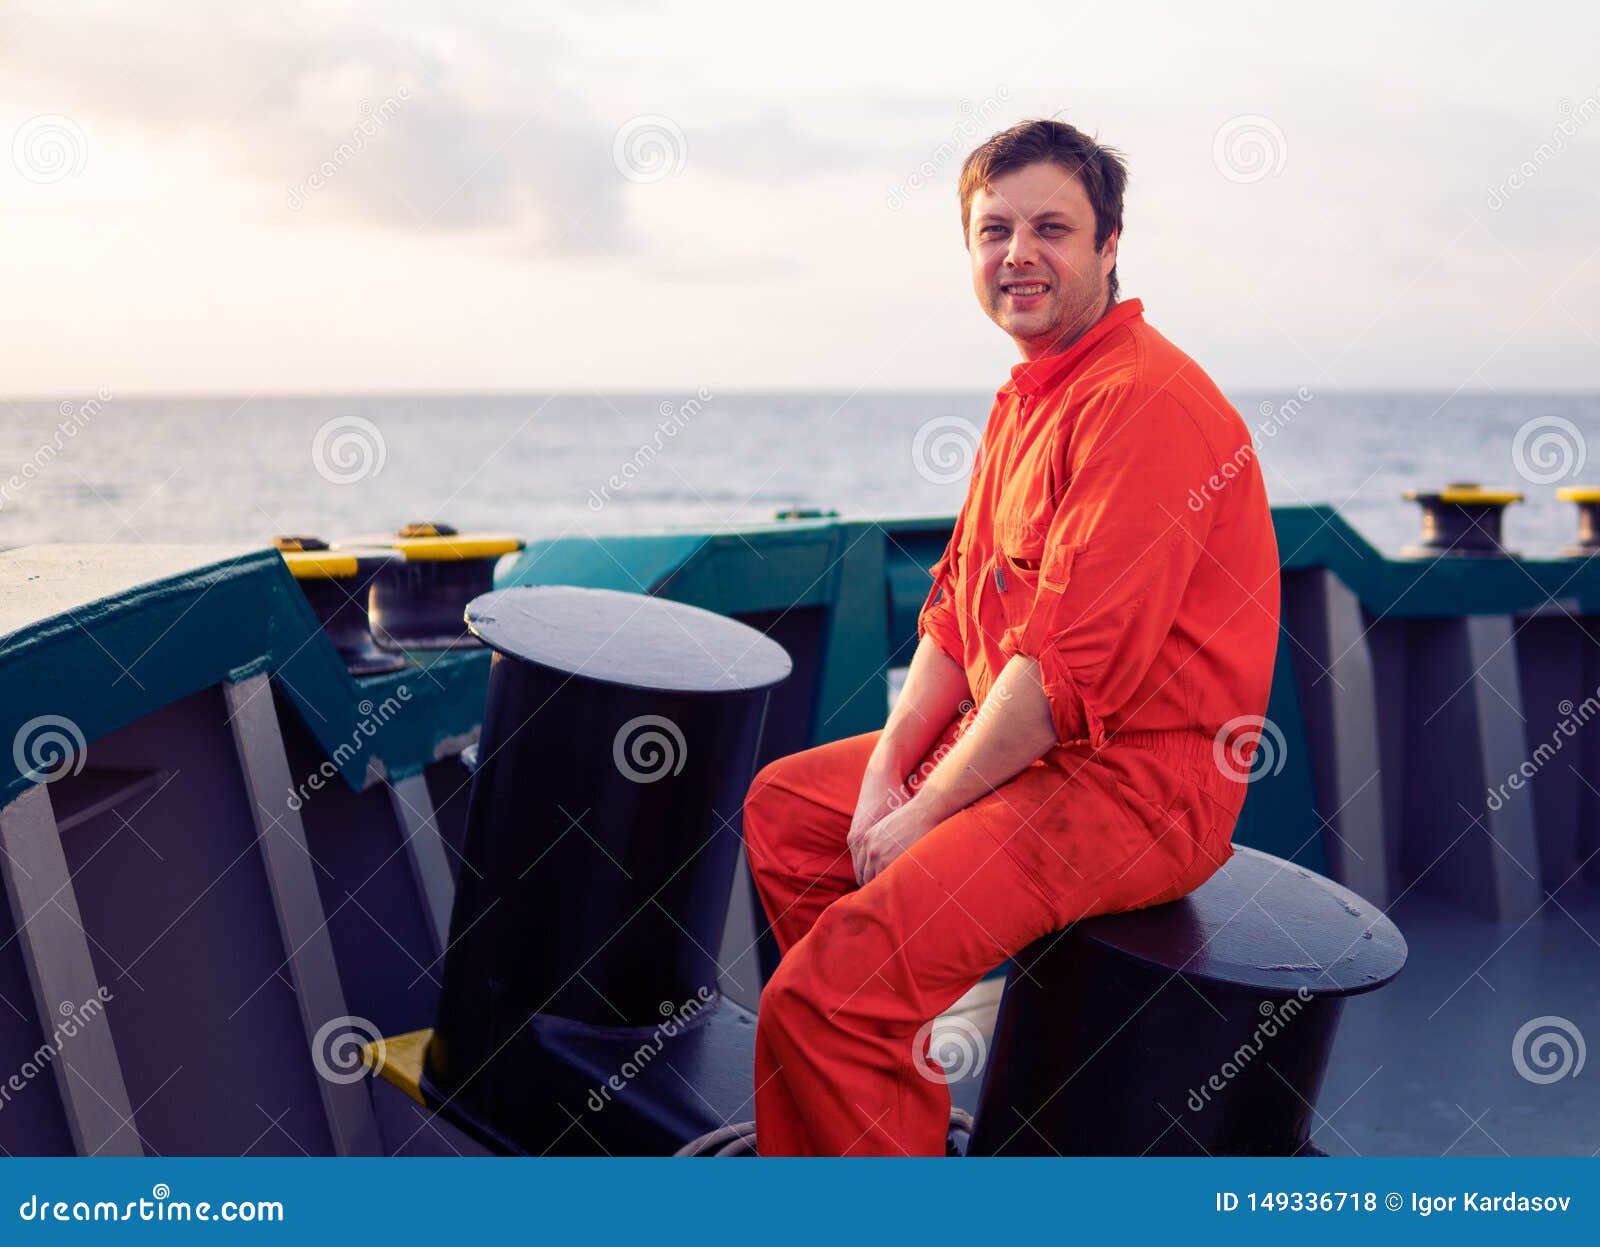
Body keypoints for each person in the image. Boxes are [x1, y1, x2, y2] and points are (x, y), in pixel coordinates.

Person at [742, 118, 1280, 1156]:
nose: (1018, 253)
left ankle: (854, 1067)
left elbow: (1061, 677)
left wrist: (924, 812)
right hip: (1033, 751)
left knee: (822, 998)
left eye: (1051, 229)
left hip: (1133, 784)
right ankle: (876, 1102)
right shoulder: (1032, 390)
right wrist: (885, 776)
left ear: (1108, 246)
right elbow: (957, 612)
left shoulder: (1142, 401)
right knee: (793, 813)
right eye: (994, 230)